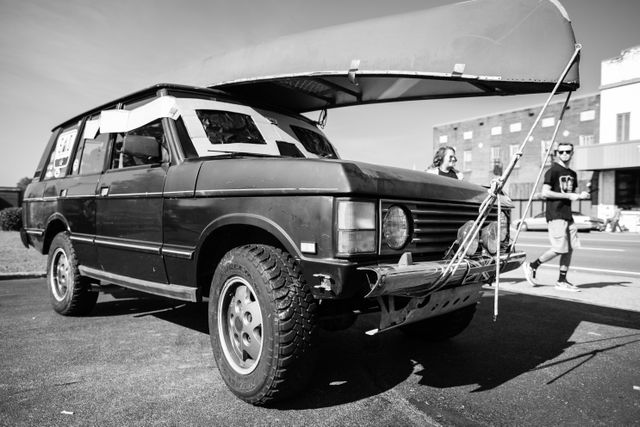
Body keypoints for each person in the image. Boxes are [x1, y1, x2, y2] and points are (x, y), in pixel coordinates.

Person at [522, 142, 590, 292]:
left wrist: (580, 196)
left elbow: (570, 195)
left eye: (568, 151)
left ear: (572, 153)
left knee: (570, 248)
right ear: (557, 153)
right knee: (560, 248)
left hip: (567, 215)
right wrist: (569, 195)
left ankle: (562, 280)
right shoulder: (552, 171)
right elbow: (545, 192)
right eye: (561, 152)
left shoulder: (573, 174)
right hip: (555, 214)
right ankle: (533, 265)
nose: (565, 154)